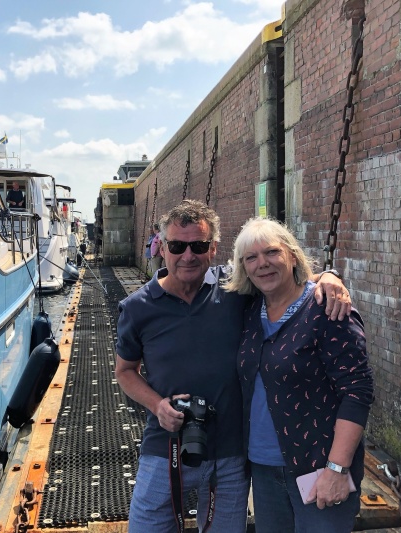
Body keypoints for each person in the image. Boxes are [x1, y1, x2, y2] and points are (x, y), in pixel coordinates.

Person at [115, 200, 351, 533]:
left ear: (213, 249)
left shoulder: (235, 289)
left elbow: (283, 276)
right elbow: (125, 371)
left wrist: (329, 278)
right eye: (178, 246)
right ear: (163, 248)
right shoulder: (136, 308)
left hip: (230, 451)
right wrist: (157, 405)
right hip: (165, 445)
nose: (187, 256)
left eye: (198, 246)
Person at [223, 217, 374, 533]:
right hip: (263, 466)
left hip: (318, 466)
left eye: (272, 253)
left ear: (292, 255)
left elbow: (357, 391)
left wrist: (336, 469)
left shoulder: (326, 310)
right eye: (251, 258)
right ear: (243, 267)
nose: (262, 264)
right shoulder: (250, 310)